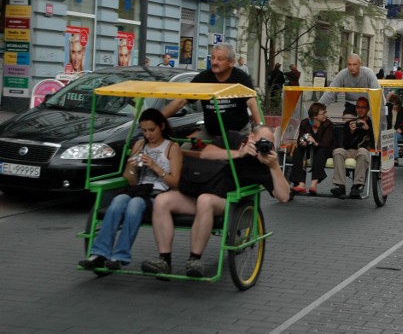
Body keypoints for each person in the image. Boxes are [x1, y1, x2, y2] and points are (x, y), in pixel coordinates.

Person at [141, 126, 289, 276]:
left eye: (268, 144)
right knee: (162, 200)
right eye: (260, 141)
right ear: (250, 136)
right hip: (197, 189)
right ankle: (164, 260)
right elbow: (206, 154)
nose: (262, 146)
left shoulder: (262, 166)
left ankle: (194, 259)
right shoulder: (233, 137)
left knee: (205, 201)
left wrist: (274, 166)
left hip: (225, 201)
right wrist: (239, 153)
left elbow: (284, 196)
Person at [78, 109, 183, 271]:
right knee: (118, 200)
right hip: (138, 190)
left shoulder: (171, 147)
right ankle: (99, 253)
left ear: (161, 126)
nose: (148, 135)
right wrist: (132, 166)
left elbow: (175, 182)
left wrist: (155, 167)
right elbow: (131, 180)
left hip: (159, 195)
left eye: (152, 130)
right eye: (144, 130)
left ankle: (120, 256)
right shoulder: (140, 145)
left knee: (134, 204)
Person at [162, 42, 260, 138]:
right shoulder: (203, 78)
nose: (214, 62)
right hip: (210, 133)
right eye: (212, 58)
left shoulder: (241, 78)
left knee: (238, 154)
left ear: (231, 62)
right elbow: (181, 101)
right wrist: (157, 120)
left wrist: (260, 131)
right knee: (184, 149)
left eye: (220, 59)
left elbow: (252, 103)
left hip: (238, 133)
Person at [330, 97, 374, 198]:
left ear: (367, 109)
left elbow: (376, 142)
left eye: (363, 107)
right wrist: (351, 132)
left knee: (362, 151)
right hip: (350, 151)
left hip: (365, 151)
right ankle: (340, 185)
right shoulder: (349, 124)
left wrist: (367, 129)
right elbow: (345, 145)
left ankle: (356, 185)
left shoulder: (372, 124)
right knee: (337, 151)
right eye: (358, 107)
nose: (360, 110)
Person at [289, 103, 333, 194]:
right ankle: (301, 184)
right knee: (298, 151)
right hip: (308, 149)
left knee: (320, 153)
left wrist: (315, 143)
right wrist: (303, 142)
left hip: (323, 148)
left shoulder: (328, 124)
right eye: (323, 113)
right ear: (315, 116)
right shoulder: (305, 123)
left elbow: (326, 143)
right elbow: (300, 139)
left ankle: (313, 185)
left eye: (325, 113)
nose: (326, 115)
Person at [387, 93, 403, 165]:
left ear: (399, 104)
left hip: (400, 133)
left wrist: (400, 128)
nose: (394, 106)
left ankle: (395, 157)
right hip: (388, 132)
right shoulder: (387, 110)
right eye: (392, 104)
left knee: (394, 135)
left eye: (396, 104)